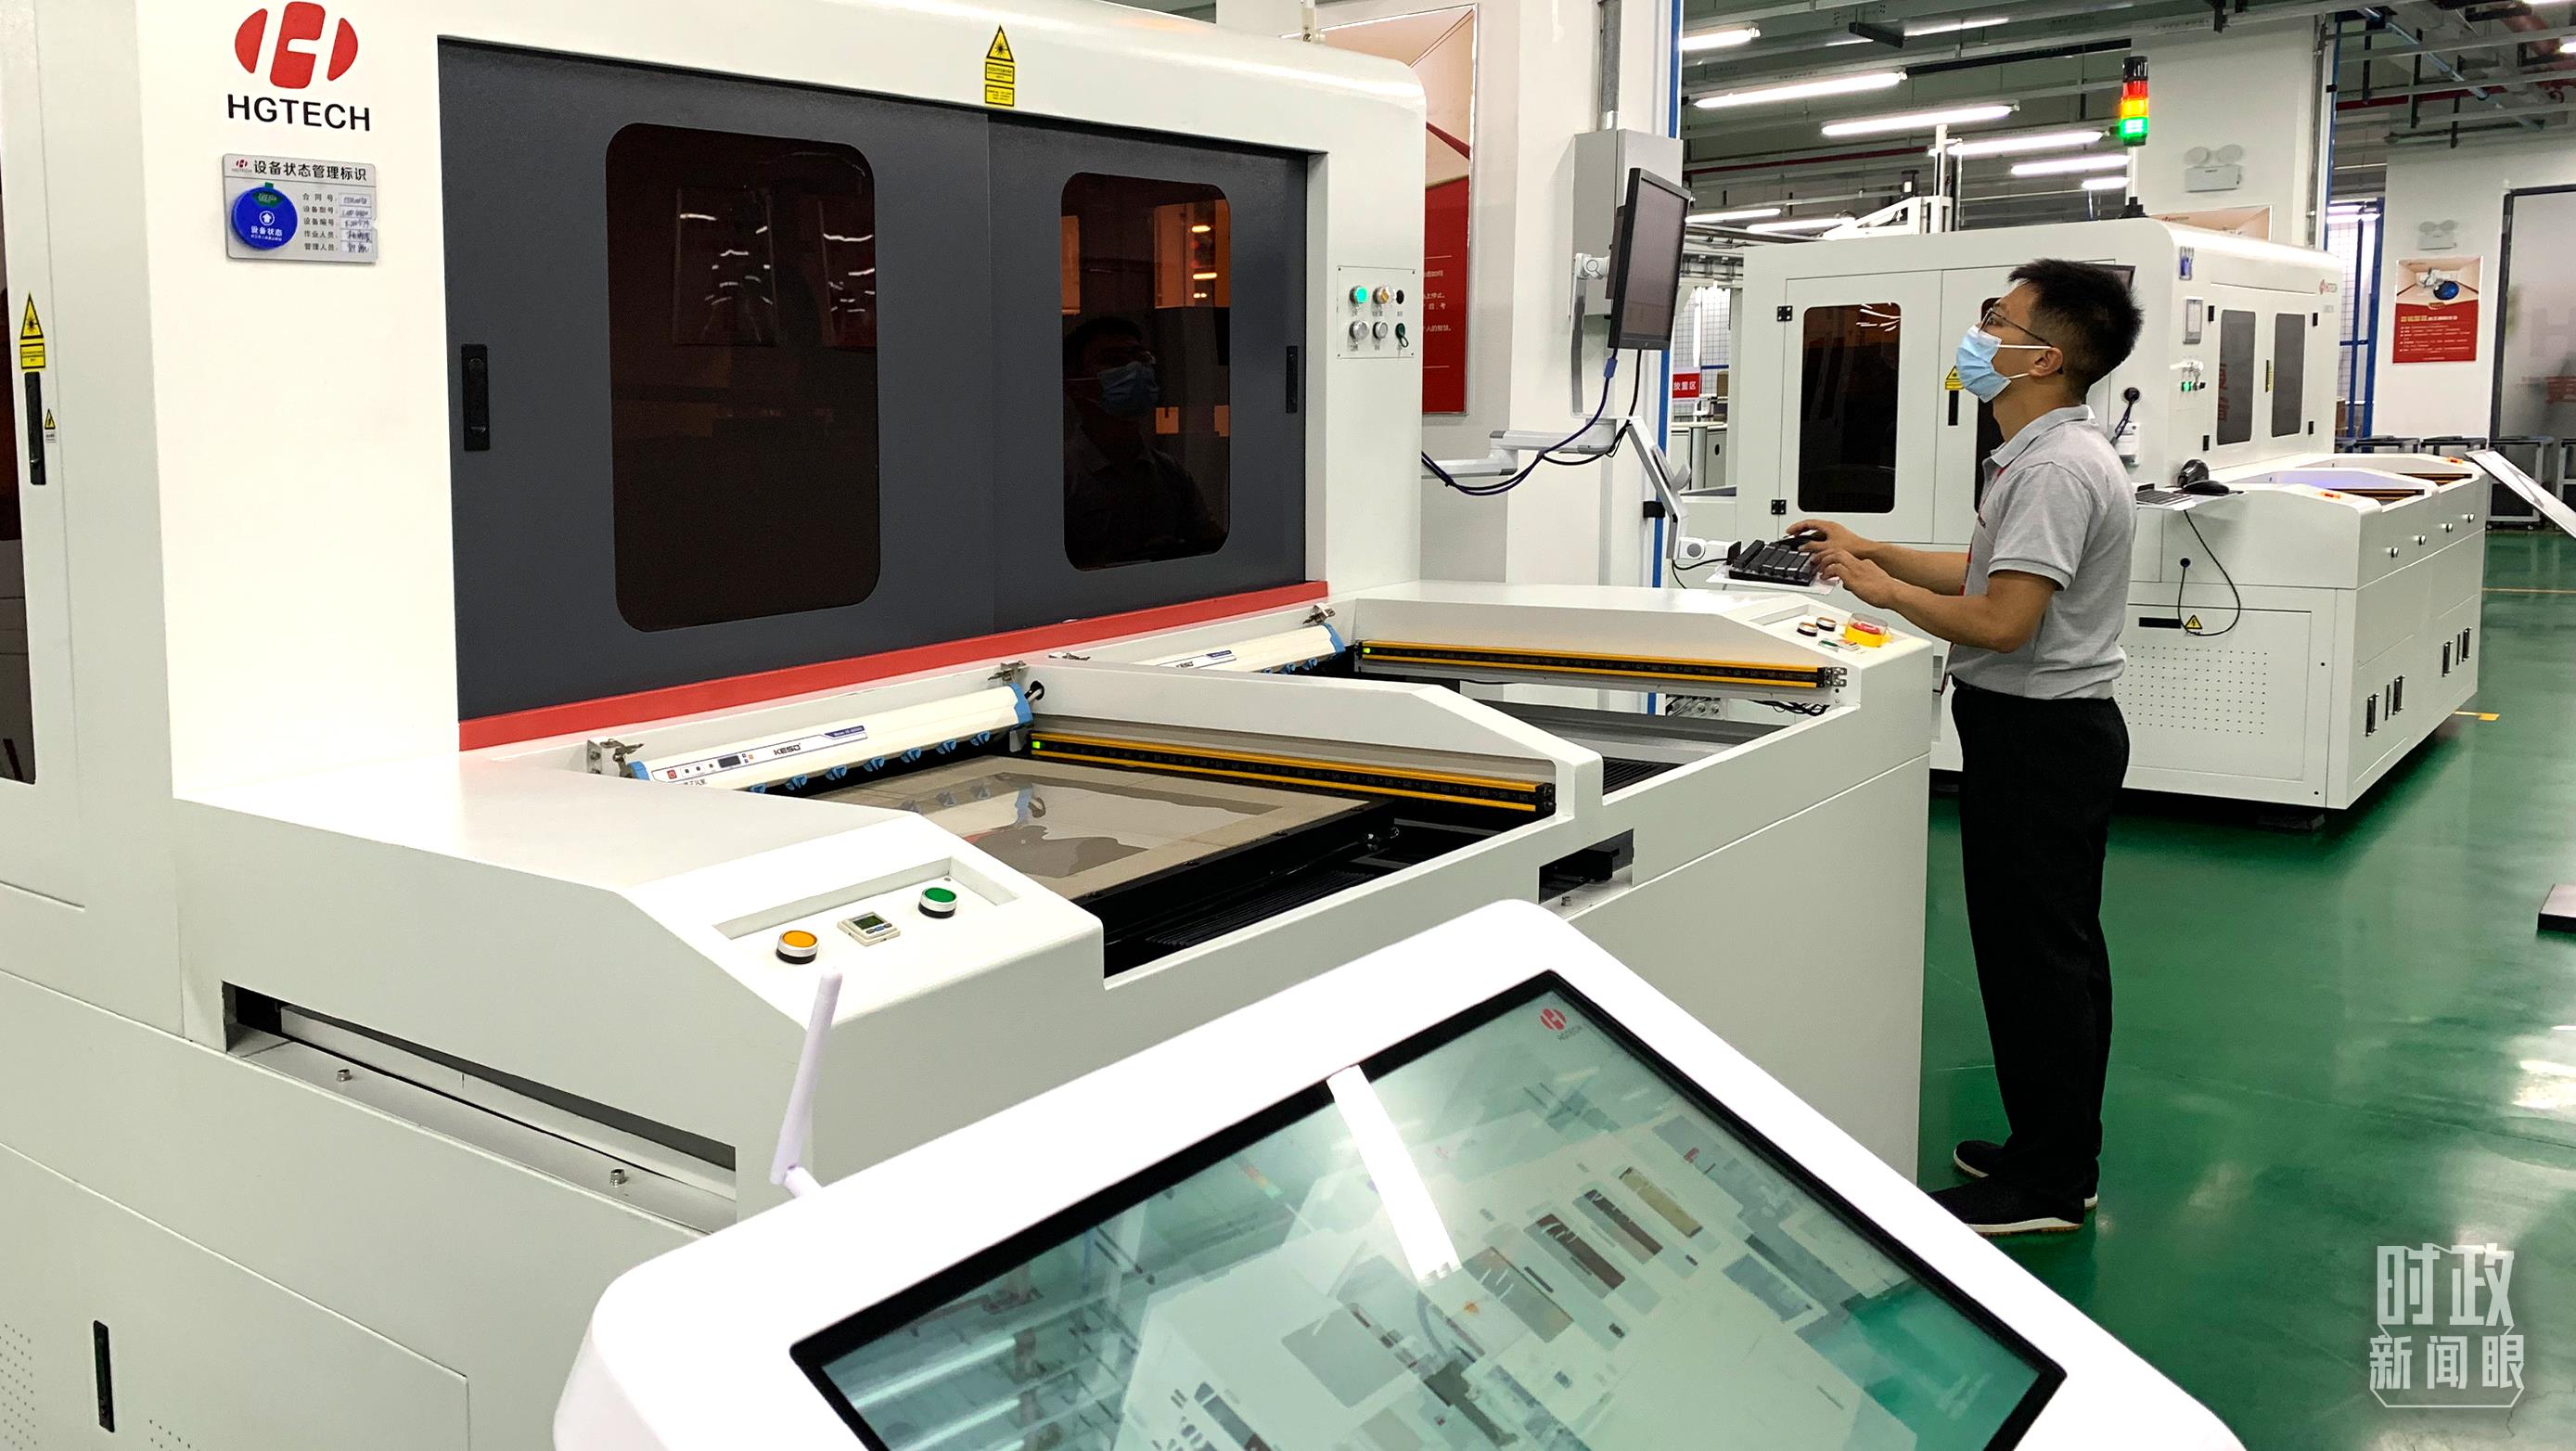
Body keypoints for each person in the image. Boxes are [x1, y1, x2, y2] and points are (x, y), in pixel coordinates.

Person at [1795, 259, 2145, 1237]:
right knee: (2048, 949)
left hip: (2040, 737)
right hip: (2043, 733)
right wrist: (1871, 549)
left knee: (2037, 959)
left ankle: (2047, 1182)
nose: (1979, 333)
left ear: (2044, 358)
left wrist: (1883, 595)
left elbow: (2001, 621)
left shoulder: (2055, 468)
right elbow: (1989, 568)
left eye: (1998, 320)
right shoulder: (2043, 456)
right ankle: (2049, 1147)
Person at [1063, 315, 1221, 569]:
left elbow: (1211, 545)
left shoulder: (1171, 473)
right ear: (1074, 386)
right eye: (1114, 360)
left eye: (1141, 358)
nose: (1134, 369)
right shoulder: (1062, 478)